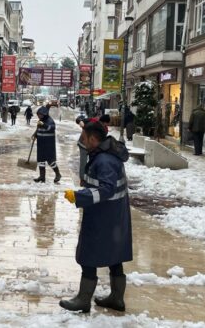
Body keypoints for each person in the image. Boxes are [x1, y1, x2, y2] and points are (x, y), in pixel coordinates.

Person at [60, 121, 132, 313]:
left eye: (84, 138)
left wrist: (79, 196)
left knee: (88, 255)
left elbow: (106, 190)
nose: (82, 142)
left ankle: (83, 300)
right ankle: (116, 298)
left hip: (103, 217)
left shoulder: (104, 161)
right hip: (113, 216)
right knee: (115, 255)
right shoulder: (105, 156)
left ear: (93, 139)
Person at [32, 107, 62, 183]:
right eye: (38, 115)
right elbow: (38, 129)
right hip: (41, 143)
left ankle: (58, 174)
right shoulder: (40, 120)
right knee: (40, 161)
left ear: (44, 114)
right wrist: (35, 135)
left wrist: (44, 125)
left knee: (50, 161)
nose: (38, 116)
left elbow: (51, 128)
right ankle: (42, 177)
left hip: (48, 144)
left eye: (40, 115)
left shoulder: (50, 121)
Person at [75, 115, 89, 186]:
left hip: (91, 145)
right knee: (83, 162)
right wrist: (80, 122)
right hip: (83, 145)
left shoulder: (99, 128)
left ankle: (89, 178)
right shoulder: (89, 124)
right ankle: (82, 179)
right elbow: (78, 119)